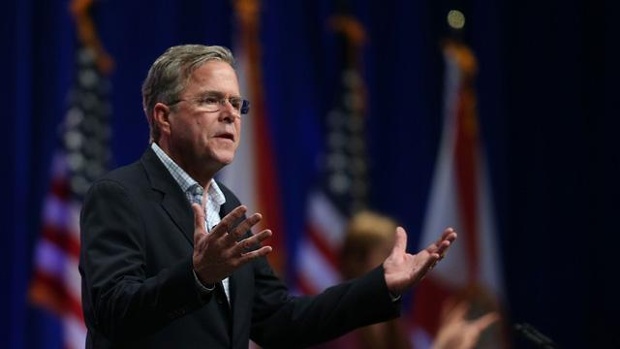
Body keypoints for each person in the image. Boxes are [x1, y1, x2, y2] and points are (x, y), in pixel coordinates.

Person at [78, 44, 457, 349]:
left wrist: (380, 285)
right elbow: (113, 312)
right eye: (212, 100)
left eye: (236, 103)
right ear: (163, 117)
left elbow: (281, 322)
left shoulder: (226, 205)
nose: (230, 115)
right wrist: (197, 277)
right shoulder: (119, 196)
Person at [315, 210, 499, 349]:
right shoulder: (334, 323)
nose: (397, 260)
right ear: (357, 260)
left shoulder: (393, 320)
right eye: (387, 252)